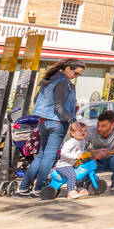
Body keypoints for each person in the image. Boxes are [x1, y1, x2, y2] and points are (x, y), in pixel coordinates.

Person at [19, 58, 85, 198]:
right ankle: (39, 188)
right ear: (67, 69)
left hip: (43, 121)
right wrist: (72, 120)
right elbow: (59, 106)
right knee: (48, 156)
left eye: (79, 75)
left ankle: (23, 188)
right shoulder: (63, 82)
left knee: (41, 155)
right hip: (57, 122)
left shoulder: (48, 80)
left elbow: (37, 100)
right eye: (76, 73)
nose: (76, 77)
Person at [50, 121, 91, 199]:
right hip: (64, 165)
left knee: (80, 173)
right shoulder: (70, 143)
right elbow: (63, 153)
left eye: (85, 130)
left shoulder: (82, 141)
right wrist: (75, 157)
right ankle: (71, 192)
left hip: (73, 164)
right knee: (72, 175)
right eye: (80, 131)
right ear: (73, 133)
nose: (83, 132)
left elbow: (80, 151)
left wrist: (87, 153)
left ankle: (79, 188)